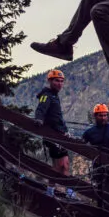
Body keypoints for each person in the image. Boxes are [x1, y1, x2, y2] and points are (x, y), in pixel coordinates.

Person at [34, 69, 75, 198]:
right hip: (53, 135)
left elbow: (57, 117)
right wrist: (39, 119)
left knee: (65, 164)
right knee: (57, 166)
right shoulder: (47, 94)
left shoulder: (54, 95)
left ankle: (68, 191)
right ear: (50, 81)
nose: (59, 84)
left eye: (62, 81)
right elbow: (41, 108)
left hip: (60, 134)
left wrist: (66, 130)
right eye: (57, 80)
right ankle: (50, 191)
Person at [82, 103, 109, 209]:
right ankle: (101, 213)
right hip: (98, 166)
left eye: (105, 115)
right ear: (95, 116)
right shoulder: (89, 132)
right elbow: (81, 145)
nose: (103, 118)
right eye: (101, 115)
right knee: (99, 192)